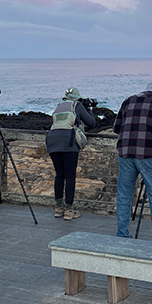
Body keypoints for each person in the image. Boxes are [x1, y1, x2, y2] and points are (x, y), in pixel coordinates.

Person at [113, 82, 152, 242]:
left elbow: (116, 127)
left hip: (125, 152)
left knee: (124, 195)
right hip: (148, 152)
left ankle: (122, 234)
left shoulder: (128, 100)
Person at [46, 87, 96, 220]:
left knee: (59, 175)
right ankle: (69, 210)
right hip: (68, 141)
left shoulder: (59, 106)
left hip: (52, 139)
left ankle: (58, 208)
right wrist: (89, 109)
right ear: (77, 98)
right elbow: (91, 123)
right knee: (70, 176)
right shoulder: (77, 105)